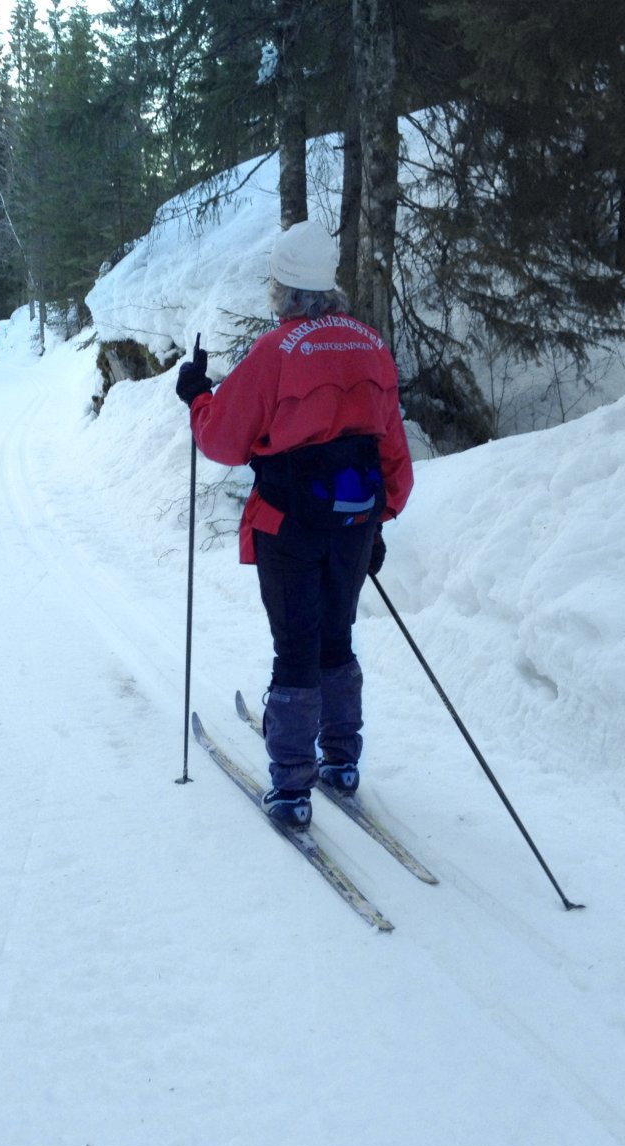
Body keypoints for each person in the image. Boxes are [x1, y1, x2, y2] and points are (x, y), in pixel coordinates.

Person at [177, 221, 413, 830]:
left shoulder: (278, 352)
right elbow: (392, 450)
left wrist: (198, 395)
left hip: (290, 526)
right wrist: (377, 520)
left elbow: (224, 440)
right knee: (336, 640)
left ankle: (290, 788)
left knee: (296, 650)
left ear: (285, 289)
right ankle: (341, 760)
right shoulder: (371, 345)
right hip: (354, 523)